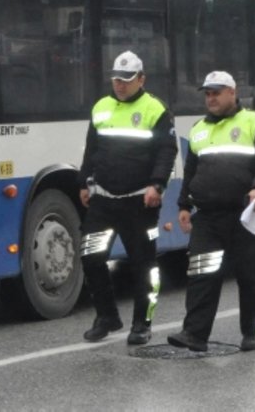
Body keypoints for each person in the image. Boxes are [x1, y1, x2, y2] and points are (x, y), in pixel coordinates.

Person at [168, 71, 255, 353]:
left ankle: (252, 331)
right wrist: (184, 205)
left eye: (217, 92)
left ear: (233, 92)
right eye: (207, 93)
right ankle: (194, 334)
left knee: (250, 276)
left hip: (246, 214)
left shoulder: (254, 122)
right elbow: (192, 171)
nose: (211, 98)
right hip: (207, 217)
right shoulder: (198, 129)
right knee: (201, 274)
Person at [78, 50, 177, 345]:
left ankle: (142, 324)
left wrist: (156, 186)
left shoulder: (155, 109)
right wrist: (83, 182)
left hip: (139, 202)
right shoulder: (101, 107)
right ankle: (106, 316)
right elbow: (91, 149)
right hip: (104, 201)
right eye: (116, 78)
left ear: (141, 79)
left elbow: (166, 151)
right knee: (90, 257)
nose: (120, 84)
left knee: (143, 264)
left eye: (127, 79)